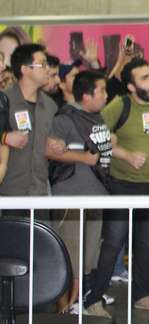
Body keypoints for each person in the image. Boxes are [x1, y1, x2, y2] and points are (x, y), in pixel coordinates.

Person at [82, 58, 149, 317]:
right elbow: (94, 136)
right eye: (144, 78)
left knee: (146, 244)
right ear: (131, 87)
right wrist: (124, 154)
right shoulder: (119, 105)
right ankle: (94, 299)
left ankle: (142, 295)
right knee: (113, 242)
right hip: (122, 186)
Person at [47, 71, 113, 314]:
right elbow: (50, 151)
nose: (107, 95)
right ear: (86, 96)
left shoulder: (98, 117)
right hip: (72, 196)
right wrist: (83, 158)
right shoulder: (65, 118)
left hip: (96, 195)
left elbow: (104, 150)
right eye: (103, 90)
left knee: (88, 257)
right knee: (69, 256)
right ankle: (63, 310)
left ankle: (82, 302)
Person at [0, 43, 60, 198]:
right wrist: (5, 137)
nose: (48, 69)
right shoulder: (4, 100)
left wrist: (58, 145)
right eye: (43, 64)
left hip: (39, 193)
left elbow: (50, 143)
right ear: (25, 69)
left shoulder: (50, 106)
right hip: (8, 192)